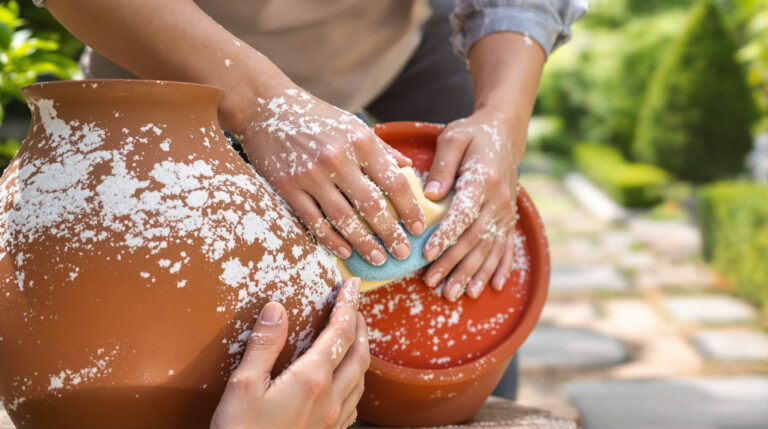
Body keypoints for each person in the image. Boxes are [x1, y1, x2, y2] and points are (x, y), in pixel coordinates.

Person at [37, 0, 586, 426]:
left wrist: (502, 119)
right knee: (154, 332)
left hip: (392, 41)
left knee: (475, 237)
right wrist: (261, 102)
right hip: (164, 40)